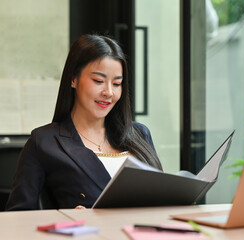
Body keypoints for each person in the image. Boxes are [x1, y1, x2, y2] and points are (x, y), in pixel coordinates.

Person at [6, 34, 162, 210]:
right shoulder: (44, 141)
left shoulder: (140, 134)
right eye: (98, 81)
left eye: (117, 84)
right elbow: (18, 218)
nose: (109, 92)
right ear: (74, 79)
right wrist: (67, 220)